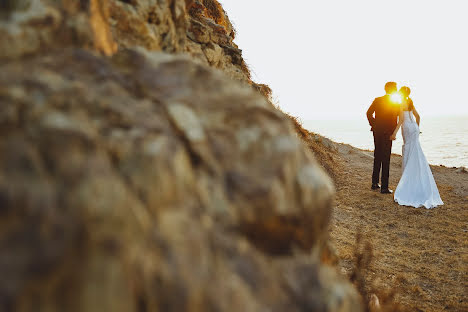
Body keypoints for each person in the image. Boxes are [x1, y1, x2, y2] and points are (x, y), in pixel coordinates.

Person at [390, 87, 443, 208]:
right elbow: (418, 116)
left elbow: (401, 120)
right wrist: (417, 128)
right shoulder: (410, 102)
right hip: (414, 127)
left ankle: (408, 181)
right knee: (416, 152)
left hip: (407, 128)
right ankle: (418, 178)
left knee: (409, 150)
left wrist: (394, 133)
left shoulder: (401, 103)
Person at [366, 81, 400, 193]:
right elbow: (395, 120)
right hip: (387, 134)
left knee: (377, 156)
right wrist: (393, 132)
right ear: (393, 89)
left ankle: (374, 183)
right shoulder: (395, 102)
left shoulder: (377, 100)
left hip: (377, 132)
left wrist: (374, 125)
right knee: (386, 159)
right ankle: (384, 187)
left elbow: (368, 113)